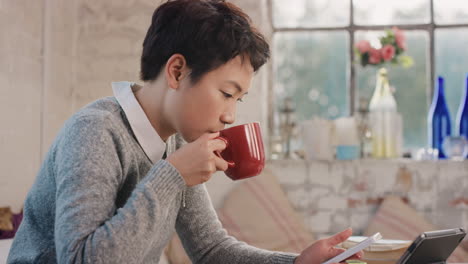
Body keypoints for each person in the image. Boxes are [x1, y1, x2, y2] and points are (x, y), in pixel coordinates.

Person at [8, 0, 362, 263]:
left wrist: (297, 261)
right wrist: (173, 175)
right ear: (177, 71)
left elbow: (210, 249)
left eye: (239, 98)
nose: (229, 116)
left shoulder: (174, 141)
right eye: (226, 94)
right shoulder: (95, 132)